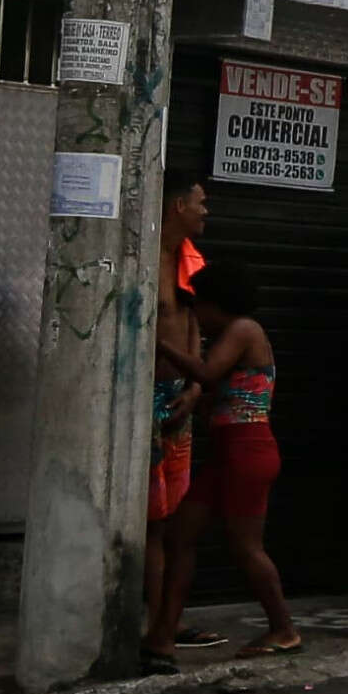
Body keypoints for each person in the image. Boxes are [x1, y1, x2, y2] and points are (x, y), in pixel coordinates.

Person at [154, 255, 300, 662]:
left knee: (246, 546)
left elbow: (208, 373)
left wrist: (160, 342)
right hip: (229, 453)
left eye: (200, 304)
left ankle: (283, 629)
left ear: (218, 302)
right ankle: (162, 635)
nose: (197, 313)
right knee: (179, 535)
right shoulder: (234, 334)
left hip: (246, 451)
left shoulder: (243, 329)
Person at [142, 180, 210, 651]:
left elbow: (195, 328)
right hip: (145, 401)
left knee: (175, 518)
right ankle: (155, 623)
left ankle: (169, 621)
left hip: (180, 399)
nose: (207, 212)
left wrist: (196, 387)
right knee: (151, 521)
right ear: (178, 205)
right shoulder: (145, 260)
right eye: (202, 203)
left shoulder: (190, 263)